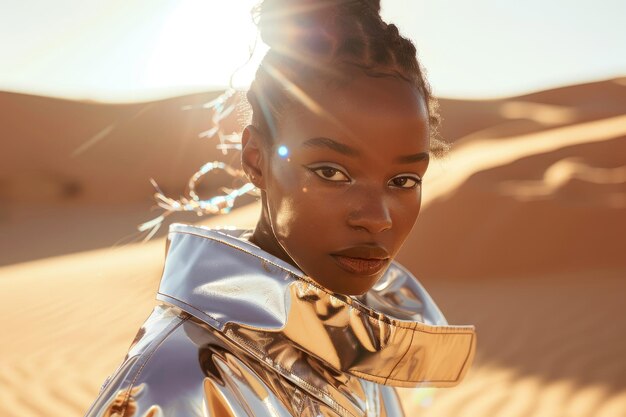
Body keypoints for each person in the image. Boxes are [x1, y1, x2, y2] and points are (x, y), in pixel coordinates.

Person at [83, 1, 476, 416]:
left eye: (403, 181)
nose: (377, 217)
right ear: (256, 158)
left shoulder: (359, 356)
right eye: (331, 172)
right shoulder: (172, 387)